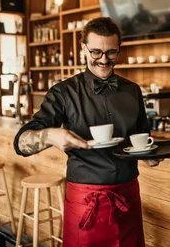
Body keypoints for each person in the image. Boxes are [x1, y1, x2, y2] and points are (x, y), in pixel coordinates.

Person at [13, 17, 161, 246]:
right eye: (96, 52)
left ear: (119, 49)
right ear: (83, 48)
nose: (104, 60)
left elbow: (141, 140)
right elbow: (21, 143)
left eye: (111, 53)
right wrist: (51, 136)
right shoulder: (63, 92)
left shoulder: (132, 91)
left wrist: (151, 156)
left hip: (128, 197)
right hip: (85, 200)